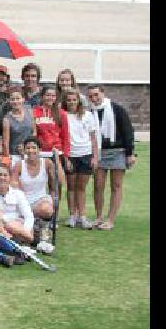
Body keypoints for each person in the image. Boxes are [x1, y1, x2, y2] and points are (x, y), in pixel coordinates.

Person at [87, 84, 137, 231]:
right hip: (99, 152)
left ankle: (110, 219)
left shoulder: (117, 109)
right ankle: (99, 217)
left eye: (96, 94)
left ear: (103, 93)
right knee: (98, 185)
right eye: (90, 96)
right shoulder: (89, 112)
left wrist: (130, 153)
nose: (94, 98)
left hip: (118, 151)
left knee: (116, 186)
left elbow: (128, 131)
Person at [14, 137, 61, 254]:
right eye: (28, 148)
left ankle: (44, 240)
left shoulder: (47, 163)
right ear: (24, 150)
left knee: (46, 209)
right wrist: (23, 204)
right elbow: (14, 186)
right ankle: (32, 234)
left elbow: (59, 181)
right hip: (24, 201)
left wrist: (57, 160)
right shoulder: (19, 165)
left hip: (41, 200)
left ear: (39, 150)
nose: (31, 151)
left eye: (34, 148)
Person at [61, 87, 99, 229]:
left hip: (85, 154)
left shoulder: (87, 115)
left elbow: (93, 138)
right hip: (70, 155)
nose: (71, 102)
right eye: (69, 100)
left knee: (81, 187)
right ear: (65, 101)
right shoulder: (63, 115)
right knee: (71, 187)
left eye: (74, 100)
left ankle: (82, 216)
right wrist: (66, 158)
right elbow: (62, 138)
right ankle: (72, 215)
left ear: (79, 101)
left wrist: (95, 157)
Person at [0, 165, 35, 246]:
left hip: (16, 226)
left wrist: (26, 230)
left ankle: (27, 239)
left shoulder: (18, 194)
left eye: (5, 175)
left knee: (11, 225)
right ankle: (25, 242)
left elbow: (29, 216)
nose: (2, 178)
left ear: (10, 177)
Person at [32, 86, 71, 166]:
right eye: (48, 95)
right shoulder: (34, 112)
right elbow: (33, 134)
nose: (50, 98)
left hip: (57, 153)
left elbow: (66, 136)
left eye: (53, 96)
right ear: (42, 96)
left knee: (56, 178)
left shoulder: (61, 113)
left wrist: (66, 156)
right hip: (40, 153)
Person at [1, 86, 35, 156]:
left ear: (23, 99)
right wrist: (8, 159)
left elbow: (34, 132)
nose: (15, 101)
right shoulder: (7, 120)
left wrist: (28, 145)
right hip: (14, 154)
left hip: (30, 152)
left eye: (18, 98)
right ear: (9, 100)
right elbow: (5, 143)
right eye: (13, 99)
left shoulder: (30, 111)